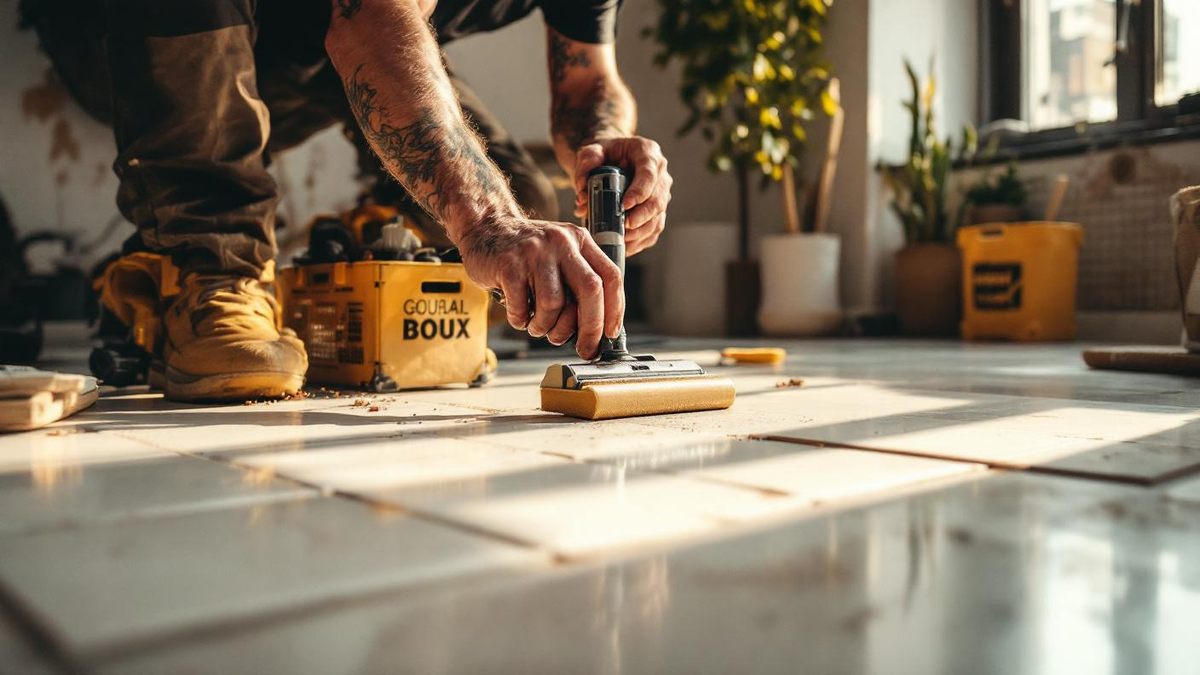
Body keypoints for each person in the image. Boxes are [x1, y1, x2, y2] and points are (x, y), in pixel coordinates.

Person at [21, 0, 673, 400]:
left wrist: (604, 147)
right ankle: (208, 267)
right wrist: (487, 222)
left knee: (520, 198)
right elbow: (372, 23)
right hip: (144, 30)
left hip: (311, 43)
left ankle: (356, 264)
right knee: (490, 216)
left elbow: (588, 82)